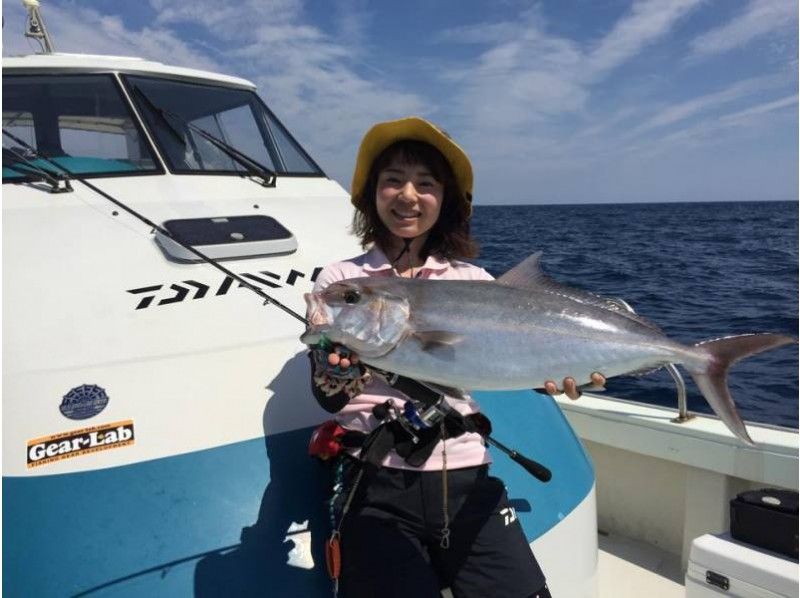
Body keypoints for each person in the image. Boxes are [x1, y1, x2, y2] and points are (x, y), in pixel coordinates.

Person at [307, 116, 605, 598]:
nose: (408, 196)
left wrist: (558, 376)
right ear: (371, 194)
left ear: (444, 200)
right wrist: (334, 367)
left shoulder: (474, 281)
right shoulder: (344, 282)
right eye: (392, 181)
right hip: (376, 481)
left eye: (426, 184)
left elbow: (507, 364)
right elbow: (324, 397)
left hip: (466, 474)